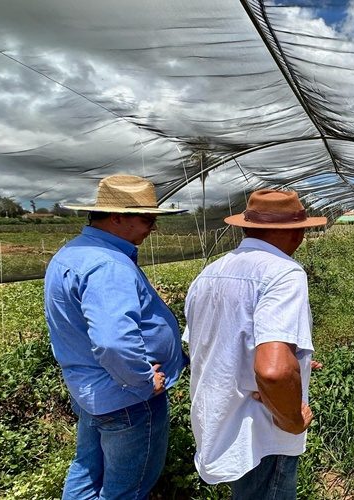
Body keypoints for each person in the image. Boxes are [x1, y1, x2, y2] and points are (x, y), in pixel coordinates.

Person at [44, 174, 188, 499]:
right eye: (148, 219)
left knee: (86, 470)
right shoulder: (109, 264)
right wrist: (141, 380)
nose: (154, 227)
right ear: (118, 217)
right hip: (126, 399)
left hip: (89, 389)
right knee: (125, 490)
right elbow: (113, 342)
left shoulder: (71, 253)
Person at [184, 189, 326, 499]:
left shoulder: (210, 273)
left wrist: (297, 359)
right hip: (263, 429)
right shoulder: (284, 273)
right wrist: (291, 421)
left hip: (220, 418)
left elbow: (208, 343)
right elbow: (273, 371)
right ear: (294, 232)